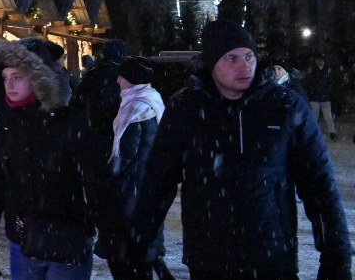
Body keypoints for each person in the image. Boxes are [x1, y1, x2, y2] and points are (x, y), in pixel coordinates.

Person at [126, 20, 351, 280]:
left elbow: (320, 184)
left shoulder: (286, 108)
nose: (245, 66)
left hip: (273, 256)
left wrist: (337, 254)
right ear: (211, 63)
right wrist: (139, 245)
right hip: (209, 259)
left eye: (249, 56)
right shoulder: (185, 110)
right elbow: (157, 183)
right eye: (231, 58)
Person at [0, 38, 116, 280]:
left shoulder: (68, 123)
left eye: (17, 76)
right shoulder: (5, 128)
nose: (9, 84)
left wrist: (116, 246)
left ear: (37, 78)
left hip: (67, 242)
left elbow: (99, 188)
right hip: (23, 243)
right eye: (5, 77)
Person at [106, 57, 172, 280]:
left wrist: (111, 177)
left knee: (133, 243)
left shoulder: (136, 108)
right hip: (147, 179)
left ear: (130, 80)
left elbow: (128, 154)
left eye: (121, 77)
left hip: (135, 184)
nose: (117, 80)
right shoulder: (151, 98)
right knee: (145, 237)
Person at [76, 39, 127, 139]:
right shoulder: (125, 74)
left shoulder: (93, 74)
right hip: (119, 123)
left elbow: (79, 99)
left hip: (95, 123)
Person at [305, 56, 338, 140]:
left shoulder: (327, 70)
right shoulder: (313, 71)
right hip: (315, 98)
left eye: (321, 60)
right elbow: (308, 84)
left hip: (324, 98)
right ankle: (311, 133)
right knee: (314, 117)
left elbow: (331, 83)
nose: (319, 62)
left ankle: (332, 133)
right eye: (318, 60)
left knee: (328, 117)